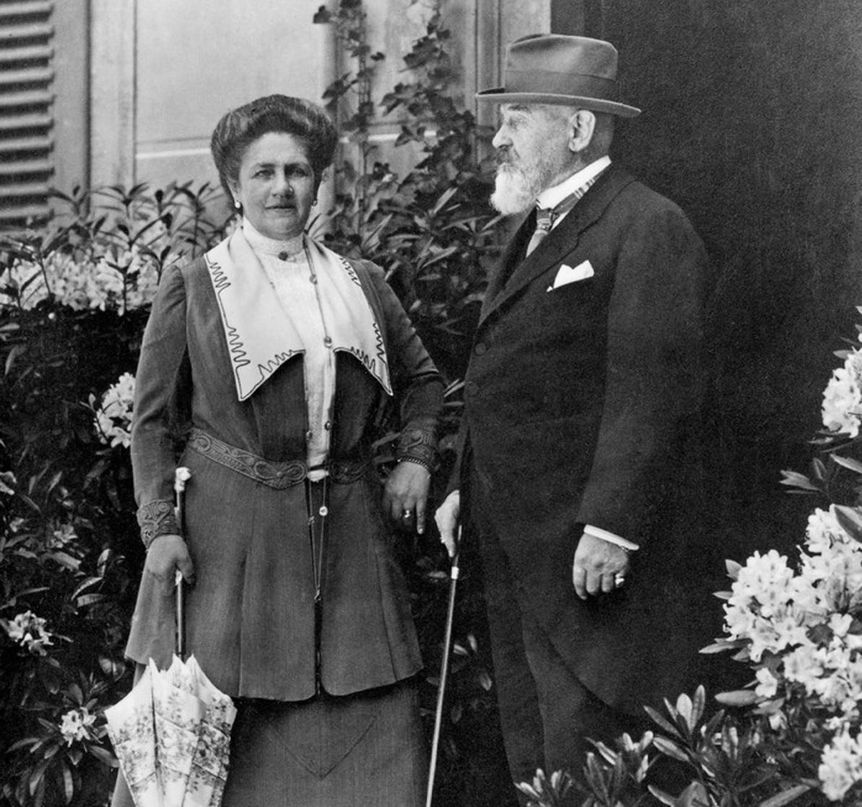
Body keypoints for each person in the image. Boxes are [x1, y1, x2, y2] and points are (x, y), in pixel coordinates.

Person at [113, 94, 442, 806]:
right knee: (213, 746)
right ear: (235, 187)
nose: (282, 188)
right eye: (263, 173)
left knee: (369, 720)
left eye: (297, 171)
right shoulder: (195, 288)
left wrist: (416, 458)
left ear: (318, 182)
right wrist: (160, 529)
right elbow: (151, 424)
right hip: (230, 549)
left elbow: (423, 381)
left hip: (349, 540)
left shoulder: (362, 284)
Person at [435, 34, 711, 798]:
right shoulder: (533, 227)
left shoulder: (645, 224)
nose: (498, 137)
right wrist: (461, 481)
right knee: (537, 757)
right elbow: (501, 364)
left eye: (517, 118)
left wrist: (612, 525)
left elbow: (652, 386)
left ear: (579, 128)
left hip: (583, 555)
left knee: (591, 750)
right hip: (517, 544)